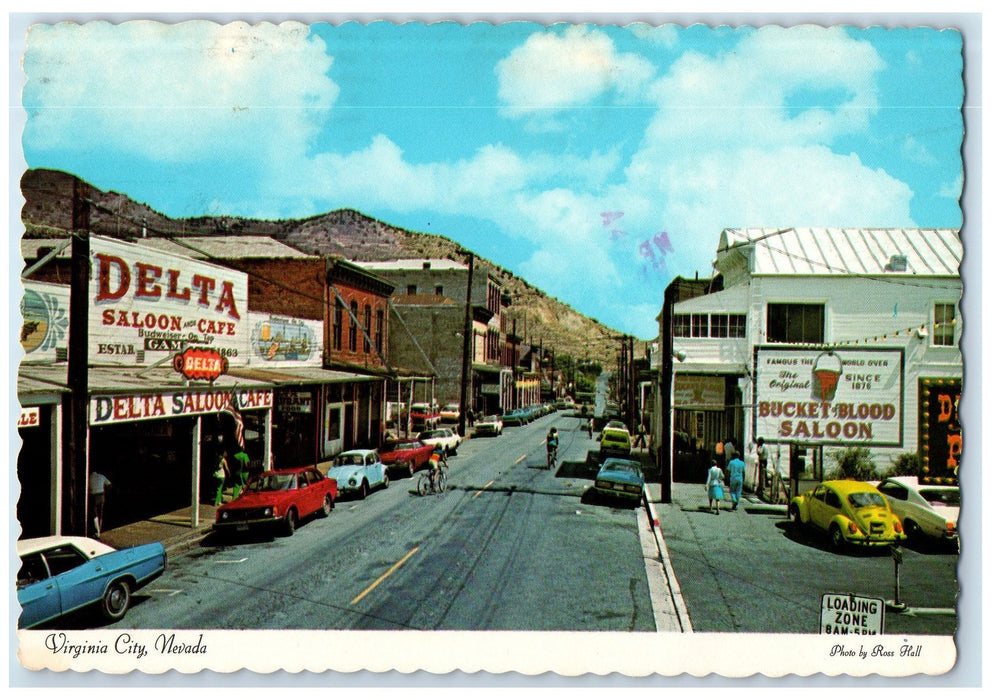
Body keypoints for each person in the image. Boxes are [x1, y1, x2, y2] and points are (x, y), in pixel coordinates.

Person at [88, 470, 112, 537]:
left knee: (94, 515)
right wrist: (104, 490)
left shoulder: (89, 477)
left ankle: (96, 531)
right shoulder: (102, 476)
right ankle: (100, 530)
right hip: (101, 495)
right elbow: (110, 485)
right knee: (100, 513)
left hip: (93, 496)